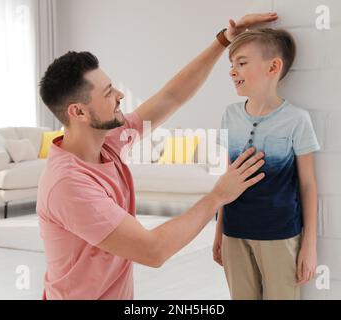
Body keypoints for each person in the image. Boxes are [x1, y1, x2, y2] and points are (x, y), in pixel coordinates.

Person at [36, 12, 278, 299]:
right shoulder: (69, 185)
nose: (120, 97)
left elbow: (171, 97)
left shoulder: (107, 141)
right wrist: (217, 196)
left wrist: (225, 40)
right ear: (78, 112)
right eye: (108, 93)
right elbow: (153, 250)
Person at [212, 28, 320, 300]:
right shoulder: (229, 115)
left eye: (242, 63)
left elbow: (307, 185)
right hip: (234, 233)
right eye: (231, 64)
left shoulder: (297, 119)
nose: (232, 71)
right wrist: (219, 232)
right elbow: (227, 179)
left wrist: (309, 245)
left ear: (273, 67)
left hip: (280, 235)